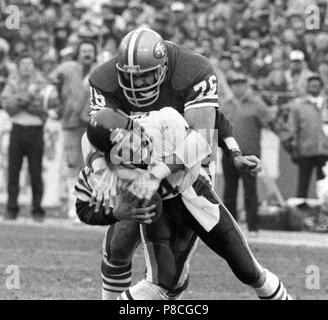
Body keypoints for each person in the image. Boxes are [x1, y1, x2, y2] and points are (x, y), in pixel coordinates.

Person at [85, 27, 276, 299]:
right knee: (118, 245)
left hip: (187, 178)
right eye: (131, 78)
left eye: (145, 76)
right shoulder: (105, 79)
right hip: (140, 174)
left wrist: (232, 151)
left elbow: (206, 131)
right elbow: (94, 132)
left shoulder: (190, 74)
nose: (138, 84)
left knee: (176, 278)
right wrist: (98, 168)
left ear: (163, 68)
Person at [79, 106, 292, 300]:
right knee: (162, 282)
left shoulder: (165, 121)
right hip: (159, 210)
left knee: (247, 269)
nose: (134, 146)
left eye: (132, 137)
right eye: (122, 149)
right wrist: (112, 201)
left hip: (194, 195)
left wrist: (155, 175)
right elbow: (84, 200)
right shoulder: (105, 165)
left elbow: (202, 138)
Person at [221, 72, 278, 234]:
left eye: (241, 83)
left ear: (246, 85)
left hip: (250, 153)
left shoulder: (257, 104)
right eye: (235, 84)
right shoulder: (226, 105)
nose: (238, 87)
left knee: (250, 191)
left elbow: (271, 123)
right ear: (232, 86)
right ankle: (231, 227)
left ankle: (253, 226)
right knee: (229, 192)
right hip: (229, 154)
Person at [49, 39, 98, 220]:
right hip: (71, 124)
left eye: (90, 51)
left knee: (93, 166)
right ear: (78, 52)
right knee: (73, 165)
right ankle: (74, 207)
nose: (87, 54)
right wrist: (56, 103)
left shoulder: (100, 69)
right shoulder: (67, 68)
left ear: (95, 53)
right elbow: (52, 82)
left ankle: (92, 207)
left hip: (94, 126)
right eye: (84, 50)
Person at [1, 54, 48, 221]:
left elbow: (44, 108)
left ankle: (37, 210)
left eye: (30, 64)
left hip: (36, 130)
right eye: (23, 64)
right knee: (13, 171)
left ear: (34, 66)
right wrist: (28, 99)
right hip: (17, 129)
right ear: (18, 66)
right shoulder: (12, 82)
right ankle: (11, 209)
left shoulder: (42, 82)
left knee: (36, 172)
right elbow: (7, 106)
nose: (27, 67)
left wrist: (20, 100)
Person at [282, 74, 328, 198]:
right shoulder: (299, 106)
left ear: (322, 88)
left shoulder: (326, 104)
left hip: (325, 151)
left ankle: (324, 215)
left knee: (325, 186)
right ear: (307, 87)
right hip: (306, 149)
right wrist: (291, 147)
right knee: (303, 185)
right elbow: (292, 128)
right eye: (311, 85)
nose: (314, 87)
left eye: (316, 85)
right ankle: (300, 215)